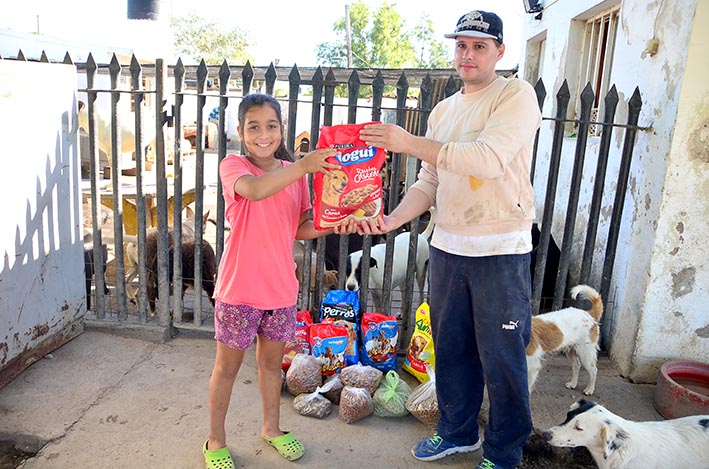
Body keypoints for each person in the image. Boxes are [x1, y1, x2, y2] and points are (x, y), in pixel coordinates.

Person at [346, 10, 542, 469]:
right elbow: (429, 181)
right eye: (461, 45)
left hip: (500, 249)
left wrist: (407, 141)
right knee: (451, 349)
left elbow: (488, 159)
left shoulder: (515, 96)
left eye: (479, 46)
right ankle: (456, 432)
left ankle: (504, 450)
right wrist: (391, 218)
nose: (467, 54)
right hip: (447, 247)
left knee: (503, 357)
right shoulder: (443, 110)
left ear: (499, 52)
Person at [202, 93, 338, 469]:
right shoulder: (234, 166)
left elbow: (299, 227)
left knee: (270, 366)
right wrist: (305, 164)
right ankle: (216, 440)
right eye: (254, 127)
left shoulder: (296, 178)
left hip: (281, 290)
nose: (264, 134)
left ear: (281, 129)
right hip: (240, 290)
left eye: (271, 126)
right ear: (241, 132)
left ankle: (272, 429)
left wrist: (340, 221)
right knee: (226, 369)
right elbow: (257, 190)